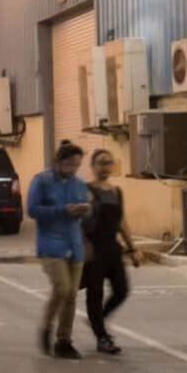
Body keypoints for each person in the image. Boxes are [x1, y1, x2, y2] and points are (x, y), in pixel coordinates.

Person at [28, 140, 90, 360]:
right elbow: (33, 210)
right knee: (62, 288)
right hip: (51, 245)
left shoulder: (79, 184)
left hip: (74, 245)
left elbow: (86, 209)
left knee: (72, 295)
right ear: (58, 161)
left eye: (76, 165)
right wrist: (63, 210)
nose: (72, 169)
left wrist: (83, 210)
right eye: (69, 164)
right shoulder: (42, 181)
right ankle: (46, 327)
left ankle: (64, 340)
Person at [84, 148, 141, 355]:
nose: (104, 166)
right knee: (95, 294)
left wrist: (133, 248)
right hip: (94, 248)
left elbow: (121, 221)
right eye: (100, 163)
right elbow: (80, 221)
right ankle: (102, 337)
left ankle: (98, 321)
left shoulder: (116, 192)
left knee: (122, 290)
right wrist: (84, 247)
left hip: (112, 248)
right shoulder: (86, 190)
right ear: (92, 166)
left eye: (108, 163)